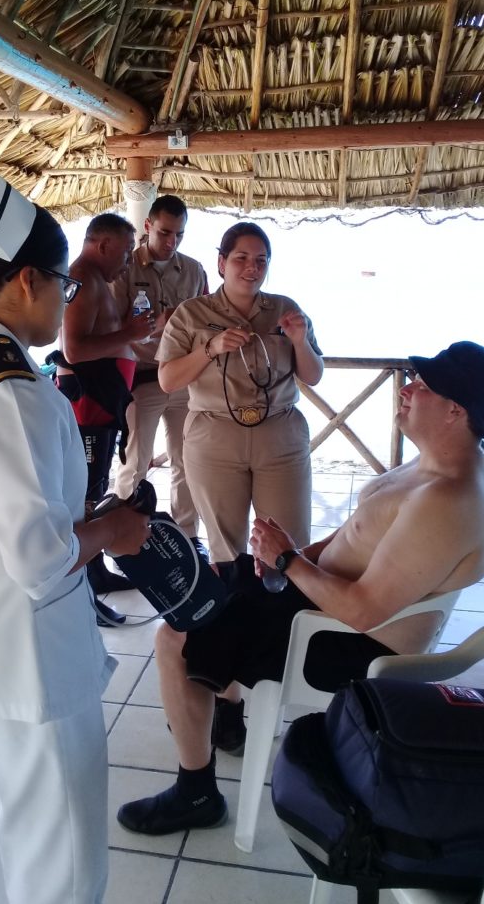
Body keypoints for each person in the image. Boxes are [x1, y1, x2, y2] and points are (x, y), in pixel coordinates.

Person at [117, 341, 484, 836]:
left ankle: (196, 792)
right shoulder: (430, 465)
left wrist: (287, 560)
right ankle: (226, 713)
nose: (407, 389)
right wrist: (288, 559)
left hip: (344, 643)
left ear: (456, 411)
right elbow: (355, 535)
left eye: (424, 386)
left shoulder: (448, 502)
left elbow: (363, 612)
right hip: (319, 600)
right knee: (213, 585)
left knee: (177, 633)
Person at [0, 176, 150, 904]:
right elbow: (40, 559)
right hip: (31, 668)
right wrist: (110, 530)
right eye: (63, 285)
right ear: (28, 281)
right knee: (61, 869)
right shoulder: (12, 390)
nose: (66, 298)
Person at [156, 221, 324, 564]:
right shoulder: (191, 313)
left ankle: (283, 600)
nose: (252, 268)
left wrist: (299, 341)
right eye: (241, 258)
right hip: (214, 438)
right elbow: (168, 381)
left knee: (288, 546)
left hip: (280, 437)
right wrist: (210, 348)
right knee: (226, 549)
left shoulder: (285, 309)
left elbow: (313, 375)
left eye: (261, 260)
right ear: (222, 263)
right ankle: (235, 599)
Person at [57, 212, 155, 623]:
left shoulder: (96, 280)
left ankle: (95, 573)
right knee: (83, 498)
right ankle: (83, 590)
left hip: (102, 405)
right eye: (126, 252)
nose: (128, 263)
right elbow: (74, 349)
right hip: (88, 405)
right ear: (103, 245)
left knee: (93, 493)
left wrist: (128, 333)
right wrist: (130, 334)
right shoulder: (81, 279)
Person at [112, 195, 208, 555]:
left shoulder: (195, 271)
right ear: (148, 226)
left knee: (188, 461)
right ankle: (124, 539)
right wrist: (157, 324)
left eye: (179, 234)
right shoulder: (125, 270)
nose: (172, 242)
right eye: (165, 232)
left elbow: (207, 321)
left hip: (184, 379)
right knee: (135, 462)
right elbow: (110, 327)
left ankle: (188, 539)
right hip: (143, 379)